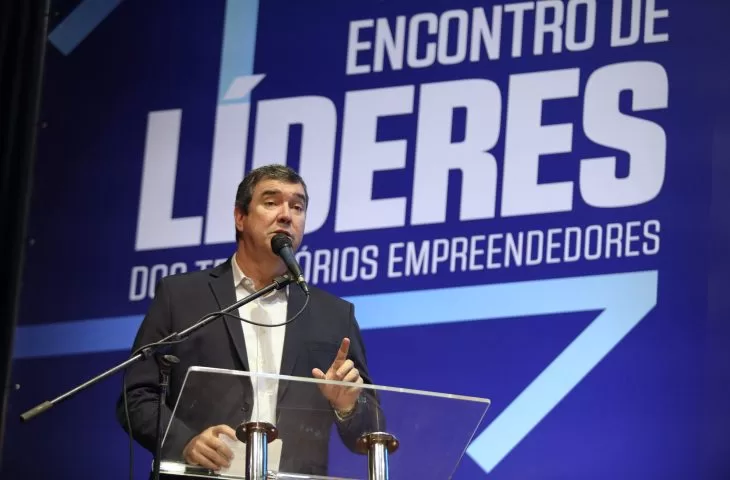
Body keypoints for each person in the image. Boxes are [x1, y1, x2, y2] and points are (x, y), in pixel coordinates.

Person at [116, 164, 378, 477]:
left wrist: (347, 406)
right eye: (271, 202)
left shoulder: (333, 315)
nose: (286, 215)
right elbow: (136, 396)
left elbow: (373, 430)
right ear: (240, 217)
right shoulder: (182, 297)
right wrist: (184, 442)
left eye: (297, 207)